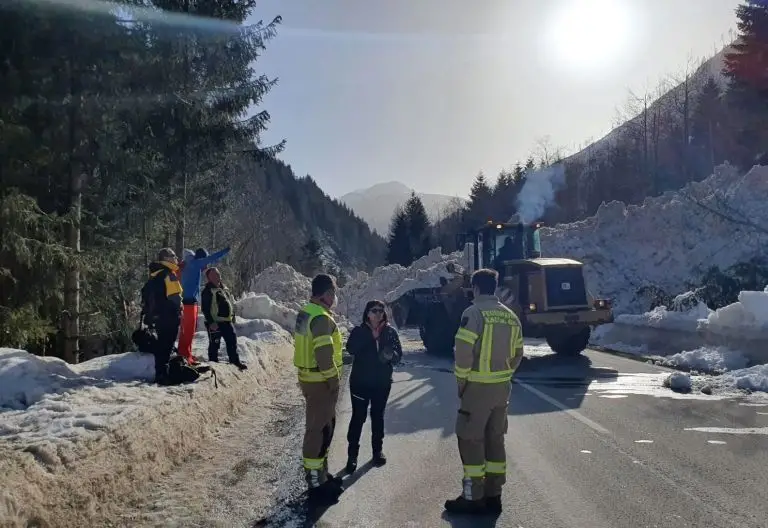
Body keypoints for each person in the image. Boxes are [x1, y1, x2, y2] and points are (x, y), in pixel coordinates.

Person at [445, 268, 525, 516]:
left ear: (476, 288)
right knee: (495, 440)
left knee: (471, 440)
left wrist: (462, 381)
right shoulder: (511, 316)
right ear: (495, 287)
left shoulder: (473, 312)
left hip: (477, 389)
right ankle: (494, 495)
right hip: (502, 389)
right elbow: (518, 353)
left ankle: (472, 498)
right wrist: (503, 375)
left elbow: (463, 353)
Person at [294, 274, 344, 502]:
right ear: (327, 294)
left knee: (321, 428)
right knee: (318, 431)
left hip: (309, 378)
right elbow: (324, 356)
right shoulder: (321, 318)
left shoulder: (306, 312)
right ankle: (316, 483)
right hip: (320, 382)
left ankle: (321, 475)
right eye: (333, 293)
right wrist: (334, 382)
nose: (334, 297)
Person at [344, 300, 402, 474]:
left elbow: (399, 355)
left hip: (381, 384)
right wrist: (369, 337)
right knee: (358, 418)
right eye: (374, 310)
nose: (378, 314)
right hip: (360, 383)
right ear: (367, 314)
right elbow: (351, 348)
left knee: (378, 417)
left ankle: (377, 451)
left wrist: (391, 355)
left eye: (381, 311)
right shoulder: (359, 331)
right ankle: (352, 456)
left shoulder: (390, 332)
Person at [178, 247, 231, 363]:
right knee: (188, 330)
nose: (206, 267)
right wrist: (226, 250)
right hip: (189, 303)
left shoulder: (189, 264)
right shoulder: (195, 263)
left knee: (188, 330)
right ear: (202, 258)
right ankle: (185, 356)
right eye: (205, 263)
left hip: (190, 302)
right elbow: (213, 258)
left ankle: (186, 354)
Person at [142, 248, 183, 384]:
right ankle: (163, 376)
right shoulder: (168, 275)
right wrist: (179, 310)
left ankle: (161, 373)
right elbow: (174, 298)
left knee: (162, 345)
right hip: (169, 316)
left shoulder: (155, 275)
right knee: (167, 346)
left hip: (158, 317)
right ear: (166, 259)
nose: (176, 257)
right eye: (173, 255)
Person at [201, 267, 247, 370]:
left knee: (232, 341)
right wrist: (211, 322)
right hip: (215, 322)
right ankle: (213, 364)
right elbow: (205, 308)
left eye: (218, 274)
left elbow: (230, 303)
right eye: (214, 275)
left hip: (227, 321)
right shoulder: (207, 291)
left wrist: (233, 316)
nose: (217, 276)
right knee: (214, 344)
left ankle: (235, 361)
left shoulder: (224, 289)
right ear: (209, 278)